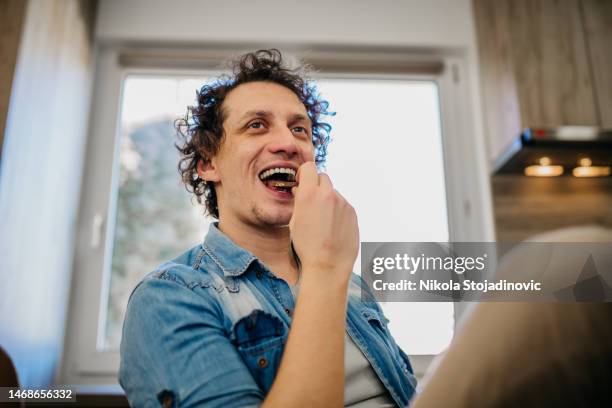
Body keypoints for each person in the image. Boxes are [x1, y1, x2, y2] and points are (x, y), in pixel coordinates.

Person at [119, 49, 417, 407]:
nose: (288, 143)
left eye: (299, 130)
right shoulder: (168, 297)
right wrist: (325, 268)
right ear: (208, 163)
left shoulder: (351, 285)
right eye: (256, 125)